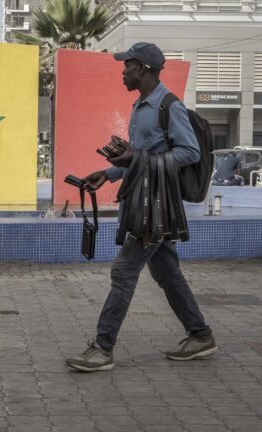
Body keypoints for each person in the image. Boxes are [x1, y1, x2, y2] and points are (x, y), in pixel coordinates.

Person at [65, 41, 217, 372]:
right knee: (166, 272)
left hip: (157, 206)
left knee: (124, 270)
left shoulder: (168, 106)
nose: (123, 70)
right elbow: (138, 158)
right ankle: (200, 335)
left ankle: (103, 348)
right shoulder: (141, 106)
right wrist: (107, 173)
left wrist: (138, 157)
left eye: (127, 65)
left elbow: (190, 153)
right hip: (143, 199)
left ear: (143, 69)